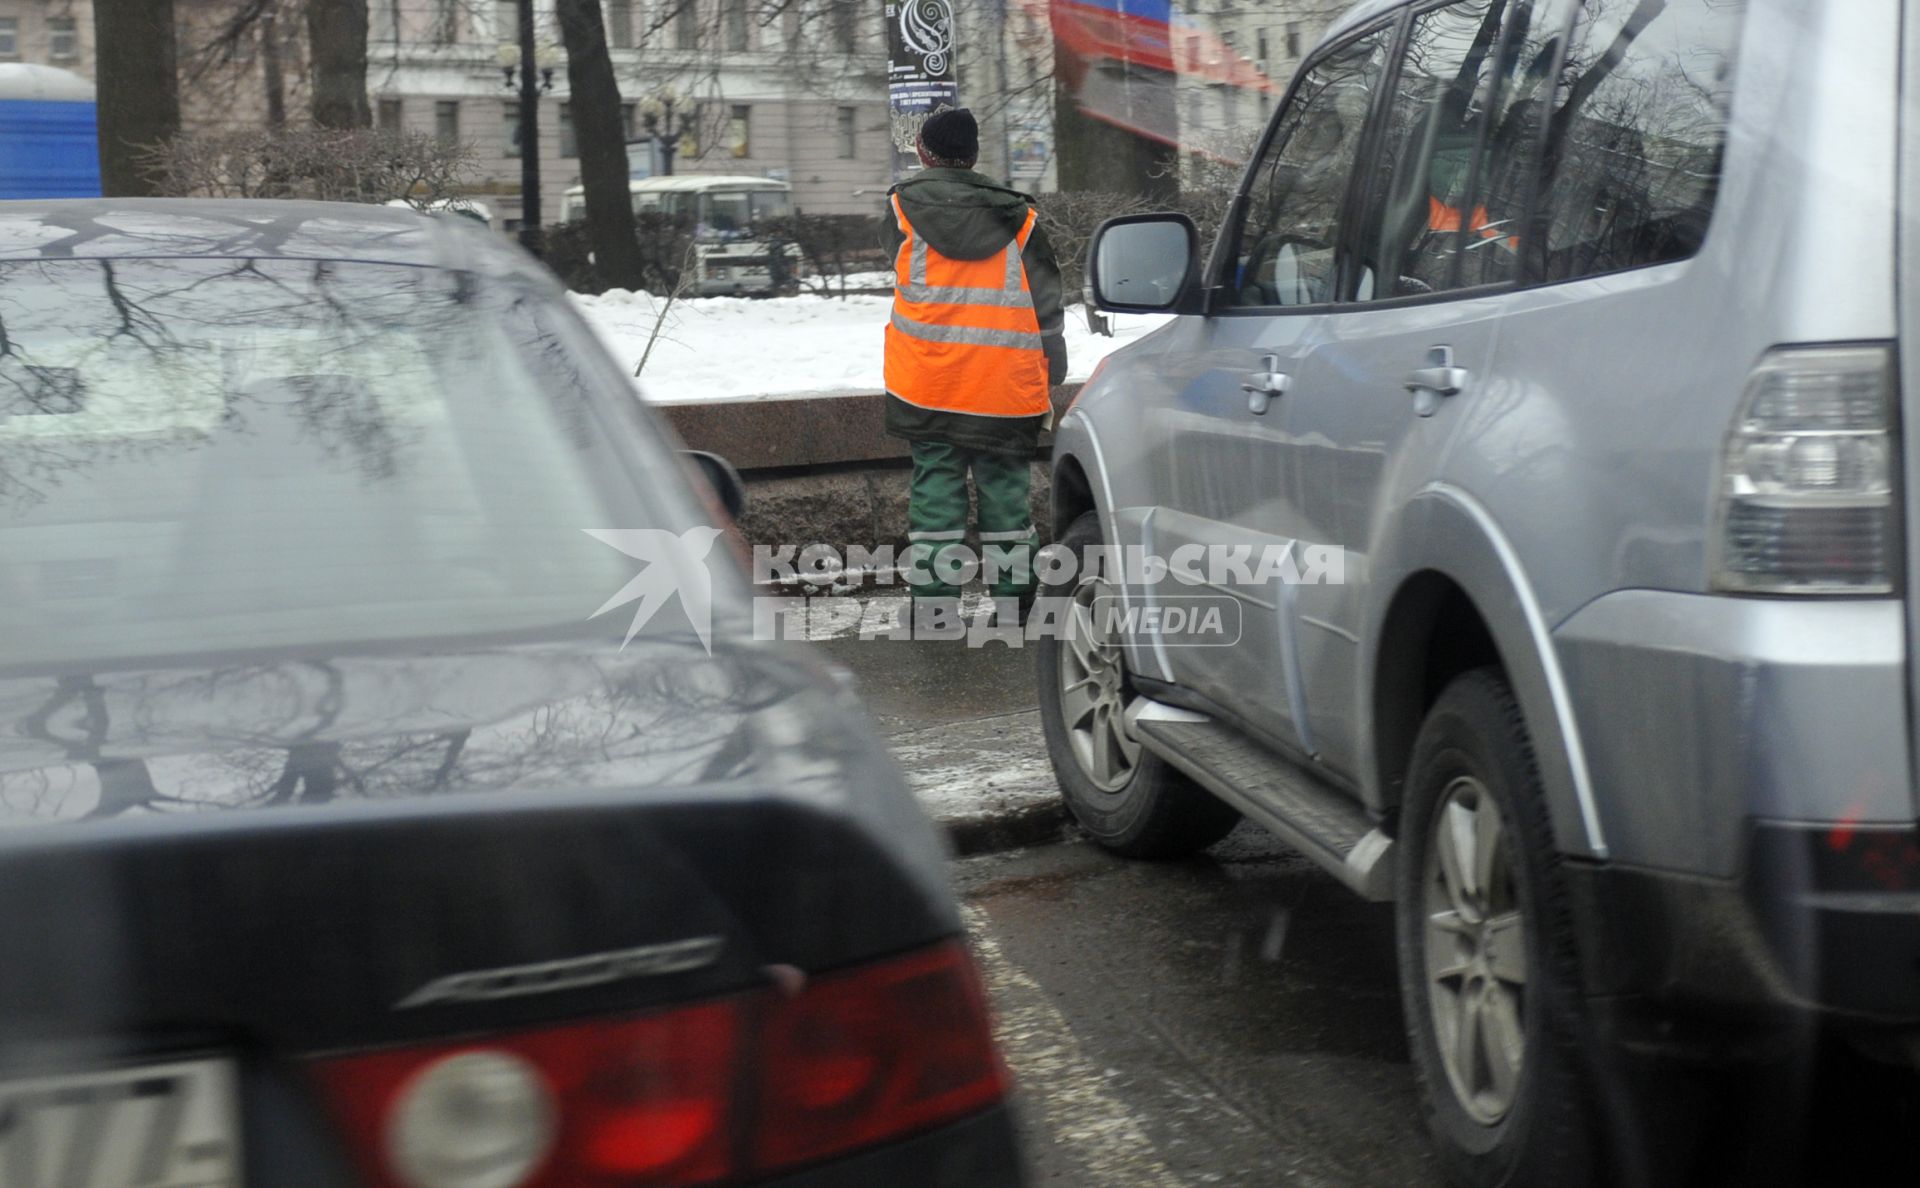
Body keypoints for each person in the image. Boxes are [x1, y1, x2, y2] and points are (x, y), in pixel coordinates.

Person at [881, 107, 1067, 624]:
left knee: (935, 483)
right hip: (1002, 384)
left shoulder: (901, 209)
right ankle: (1016, 599)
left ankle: (934, 601)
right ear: (975, 154)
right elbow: (1047, 294)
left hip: (928, 380)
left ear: (923, 151)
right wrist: (1054, 355)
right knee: (1005, 485)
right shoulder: (1020, 216)